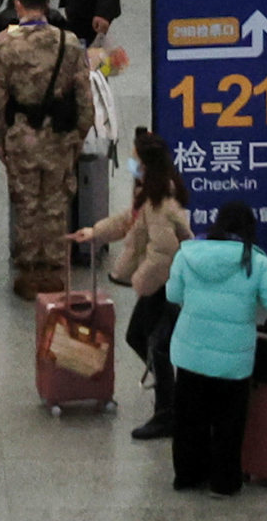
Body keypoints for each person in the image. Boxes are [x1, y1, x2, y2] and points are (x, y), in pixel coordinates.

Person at [158, 201, 267, 496]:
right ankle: (223, 482)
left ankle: (187, 476)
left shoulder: (188, 253)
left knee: (188, 418)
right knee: (228, 422)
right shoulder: (254, 261)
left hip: (190, 353)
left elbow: (172, 293)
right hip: (233, 360)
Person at [72, 131, 194, 438]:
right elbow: (129, 220)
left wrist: (141, 282)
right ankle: (173, 396)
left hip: (166, 285)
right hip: (162, 284)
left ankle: (168, 411)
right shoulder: (149, 196)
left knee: (154, 342)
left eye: (135, 159)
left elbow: (164, 252)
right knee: (141, 337)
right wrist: (95, 232)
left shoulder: (160, 203)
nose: (131, 164)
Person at [0, 0, 95, 296]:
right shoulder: (70, 43)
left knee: (27, 203)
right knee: (57, 202)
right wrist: (80, 134)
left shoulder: (5, 46)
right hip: (60, 137)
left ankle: (30, 270)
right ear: (47, 5)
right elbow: (85, 96)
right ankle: (56, 269)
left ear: (18, 4)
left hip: (22, 136)